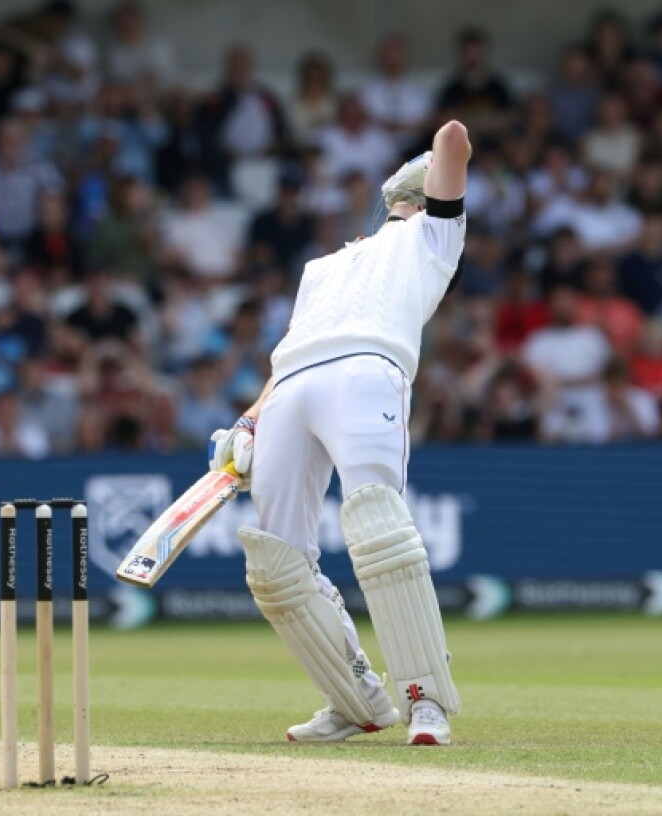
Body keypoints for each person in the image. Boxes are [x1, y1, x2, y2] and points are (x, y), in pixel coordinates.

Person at [206, 120, 471, 745]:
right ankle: (355, 700)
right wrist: (250, 419)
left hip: (368, 369)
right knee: (275, 561)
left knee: (378, 526)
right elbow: (290, 350)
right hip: (293, 383)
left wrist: (436, 155)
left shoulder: (435, 237)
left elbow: (456, 138)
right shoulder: (325, 266)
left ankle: (424, 700)